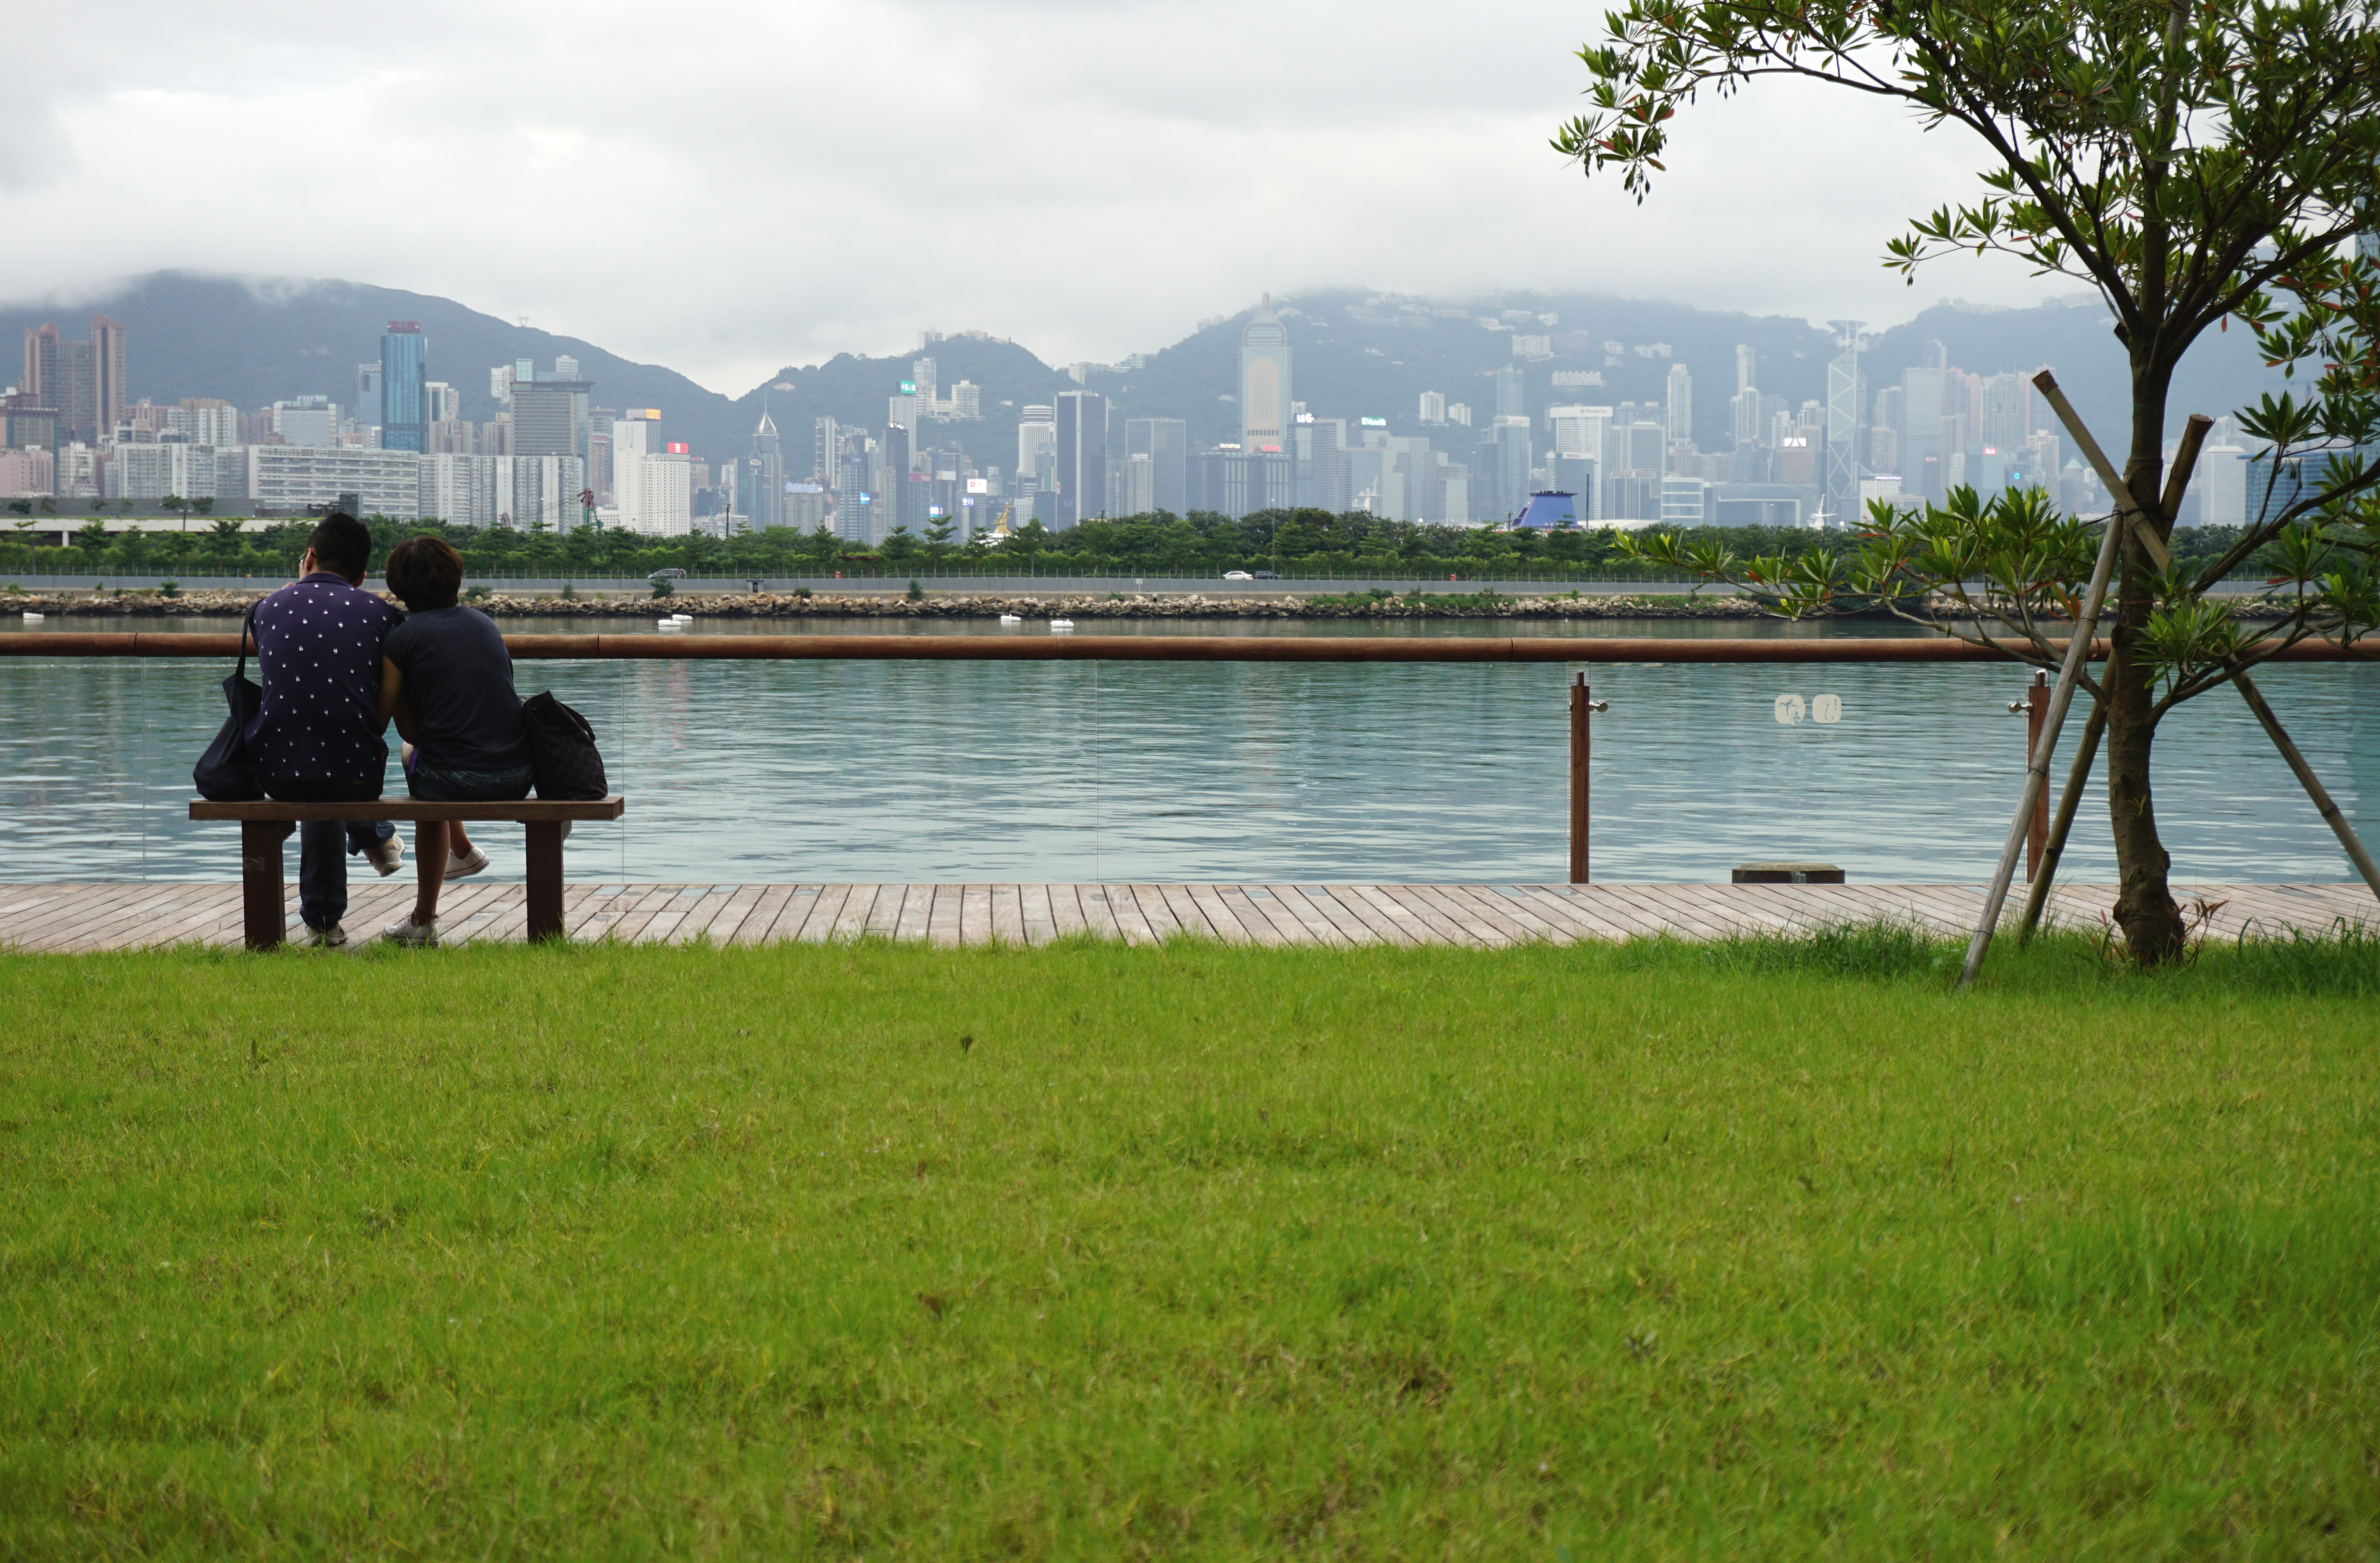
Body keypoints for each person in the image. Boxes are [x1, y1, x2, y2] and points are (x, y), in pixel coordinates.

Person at [247, 512, 405, 946]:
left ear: (309, 556)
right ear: (361, 576)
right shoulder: (382, 615)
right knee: (334, 759)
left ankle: (322, 922)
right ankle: (376, 838)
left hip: (275, 772)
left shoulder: (267, 608)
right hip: (356, 773)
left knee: (312, 758)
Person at [376, 536, 534, 945]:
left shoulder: (402, 639)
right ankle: (461, 850)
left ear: (399, 586)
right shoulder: (485, 624)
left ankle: (425, 918)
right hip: (519, 774)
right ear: (455, 576)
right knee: (436, 761)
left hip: (453, 780)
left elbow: (404, 730)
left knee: (414, 757)